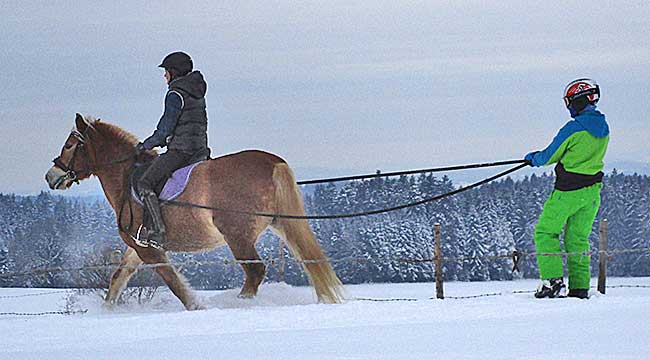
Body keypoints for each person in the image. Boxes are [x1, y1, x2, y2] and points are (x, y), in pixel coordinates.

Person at [524, 78, 609, 299]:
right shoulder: (603, 127)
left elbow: (548, 156)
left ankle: (552, 282)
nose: (569, 107)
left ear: (578, 102)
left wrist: (533, 159)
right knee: (577, 238)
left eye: (570, 102)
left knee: (545, 232)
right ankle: (580, 288)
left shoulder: (573, 128)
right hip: (592, 193)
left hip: (568, 192)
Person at [135, 51, 210, 249]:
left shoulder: (175, 94)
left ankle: (157, 231)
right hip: (200, 150)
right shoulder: (196, 92)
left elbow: (165, 128)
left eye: (166, 71)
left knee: (145, 182)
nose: (164, 76)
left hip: (181, 151)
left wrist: (145, 145)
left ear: (174, 72)